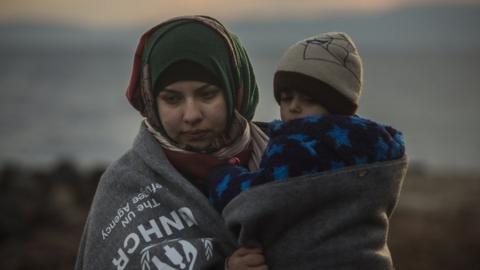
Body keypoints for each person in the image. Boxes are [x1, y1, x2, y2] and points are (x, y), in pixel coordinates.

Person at [74, 16, 270, 270]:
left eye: (207, 94)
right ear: (152, 103)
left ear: (235, 91)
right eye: (172, 99)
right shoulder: (125, 185)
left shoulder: (283, 158)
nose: (191, 115)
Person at [208, 32, 408, 269]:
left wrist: (220, 176)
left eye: (309, 99)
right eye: (285, 97)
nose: (293, 107)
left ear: (336, 104)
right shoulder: (378, 147)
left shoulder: (299, 148)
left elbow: (254, 198)